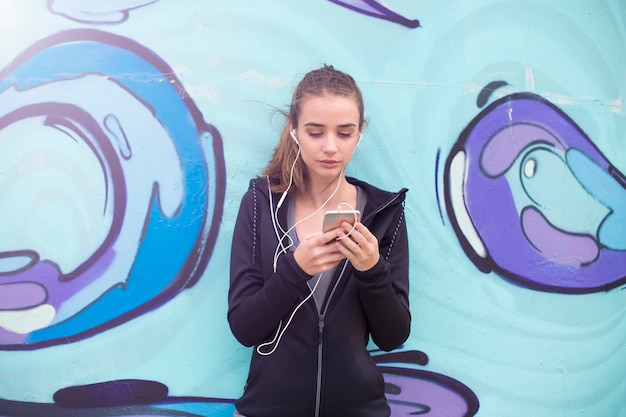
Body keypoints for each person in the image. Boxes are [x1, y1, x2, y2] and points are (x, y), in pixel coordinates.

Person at [228, 64, 410, 417]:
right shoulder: (261, 204)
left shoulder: (384, 213)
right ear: (293, 130)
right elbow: (244, 327)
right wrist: (296, 270)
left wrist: (372, 271)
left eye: (344, 133)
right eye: (315, 132)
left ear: (360, 133)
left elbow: (392, 337)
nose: (330, 147)